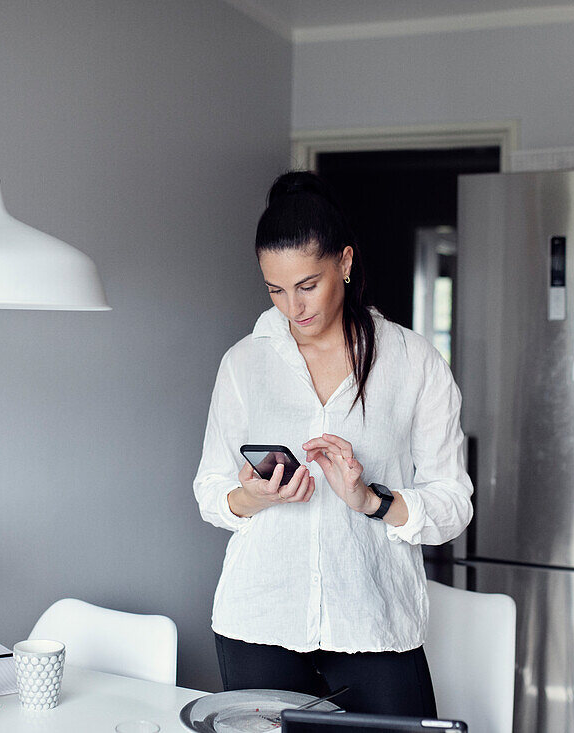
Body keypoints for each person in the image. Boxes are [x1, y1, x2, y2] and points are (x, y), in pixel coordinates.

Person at [193, 170, 473, 717]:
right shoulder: (243, 364)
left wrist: (373, 501)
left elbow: (453, 503)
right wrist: (256, 497)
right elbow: (211, 489)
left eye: (307, 285)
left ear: (344, 263)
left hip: (374, 622)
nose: (292, 309)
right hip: (257, 620)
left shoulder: (412, 361)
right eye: (275, 289)